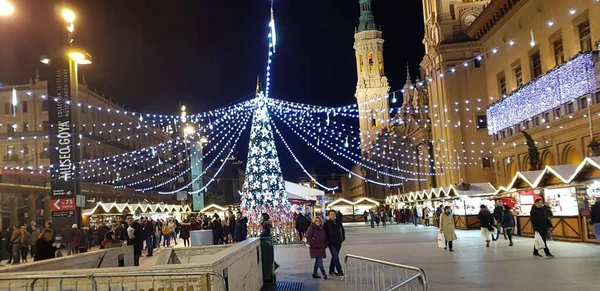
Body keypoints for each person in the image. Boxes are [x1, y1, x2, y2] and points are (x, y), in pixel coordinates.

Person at [324, 210, 345, 277]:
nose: (332, 215)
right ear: (328, 215)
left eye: (333, 214)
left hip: (338, 242)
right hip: (331, 243)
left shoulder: (338, 222)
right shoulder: (326, 224)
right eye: (331, 214)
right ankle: (340, 271)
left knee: (334, 257)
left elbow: (342, 230)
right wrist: (327, 241)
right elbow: (325, 234)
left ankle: (331, 270)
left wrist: (343, 238)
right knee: (336, 257)